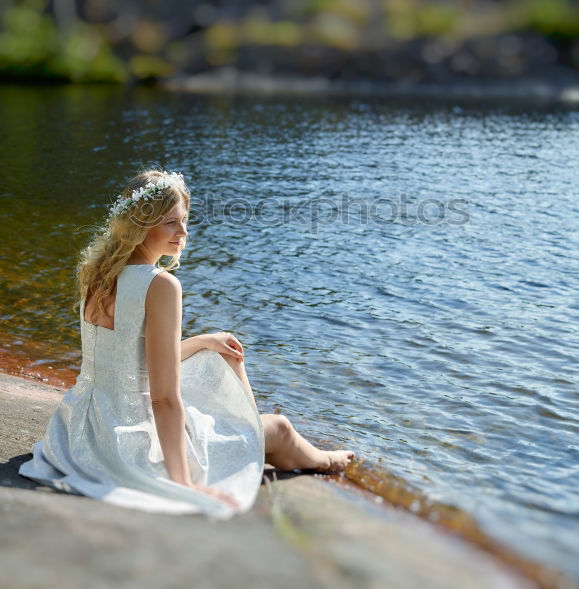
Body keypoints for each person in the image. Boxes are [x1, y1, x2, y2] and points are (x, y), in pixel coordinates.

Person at [19, 169, 355, 518]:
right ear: (141, 224)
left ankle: (260, 434)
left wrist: (204, 341)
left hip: (79, 429)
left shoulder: (100, 271)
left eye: (184, 221)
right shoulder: (160, 286)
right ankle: (321, 459)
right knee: (281, 429)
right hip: (128, 440)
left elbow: (126, 360)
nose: (183, 233)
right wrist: (184, 483)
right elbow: (163, 399)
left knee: (220, 350)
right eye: (170, 223)